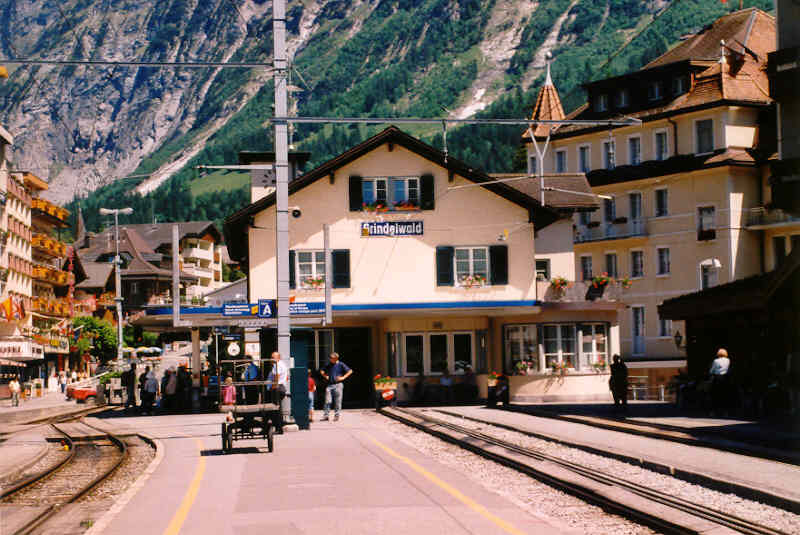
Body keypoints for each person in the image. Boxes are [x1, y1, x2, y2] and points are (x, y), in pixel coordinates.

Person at [320, 352, 352, 422]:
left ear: (336, 358)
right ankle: (326, 416)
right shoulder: (329, 364)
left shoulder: (341, 364)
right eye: (330, 358)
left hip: (338, 385)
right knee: (327, 401)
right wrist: (326, 376)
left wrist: (343, 377)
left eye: (331, 358)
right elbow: (322, 371)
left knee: (338, 401)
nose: (330, 359)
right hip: (329, 385)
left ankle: (336, 416)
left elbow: (350, 371)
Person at [266, 352, 289, 433]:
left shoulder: (278, 365)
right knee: (278, 408)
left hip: (278, 387)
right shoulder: (282, 364)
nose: (271, 359)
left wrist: (273, 386)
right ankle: (279, 427)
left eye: (273, 357)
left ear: (278, 358)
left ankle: (278, 428)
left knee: (276, 409)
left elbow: (277, 376)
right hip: (281, 387)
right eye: (271, 357)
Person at [709, 348, 731, 416]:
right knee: (725, 395)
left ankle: (714, 412)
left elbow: (711, 371)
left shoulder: (716, 361)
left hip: (717, 378)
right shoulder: (728, 360)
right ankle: (725, 412)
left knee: (715, 395)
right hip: (725, 378)